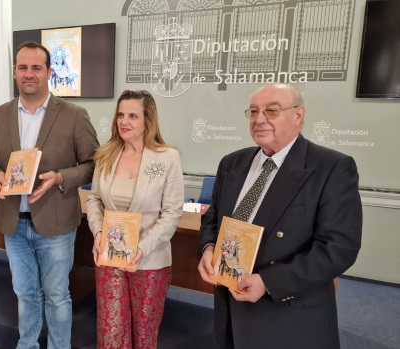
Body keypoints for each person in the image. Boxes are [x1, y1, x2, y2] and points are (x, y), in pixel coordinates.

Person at [197, 83, 362, 349]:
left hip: (287, 316)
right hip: (229, 310)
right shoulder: (232, 163)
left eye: (272, 111)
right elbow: (213, 216)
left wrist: (269, 282)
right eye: (253, 111)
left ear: (298, 115)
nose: (259, 119)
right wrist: (208, 248)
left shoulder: (331, 168)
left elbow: (339, 249)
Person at [0, 41, 99, 349]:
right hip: (14, 223)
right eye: (22, 67)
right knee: (25, 292)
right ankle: (27, 345)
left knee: (57, 295)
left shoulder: (74, 114)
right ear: (15, 72)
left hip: (56, 223)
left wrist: (60, 177)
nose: (28, 74)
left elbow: (92, 163)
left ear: (48, 72)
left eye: (35, 68)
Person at [86, 90, 184, 349]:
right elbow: (94, 200)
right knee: (111, 333)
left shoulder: (166, 157)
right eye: (120, 115)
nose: (124, 121)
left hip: (150, 260)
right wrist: (97, 233)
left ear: (147, 120)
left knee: (143, 335)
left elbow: (172, 212)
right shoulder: (106, 154)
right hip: (110, 257)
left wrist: (142, 247)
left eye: (132, 115)